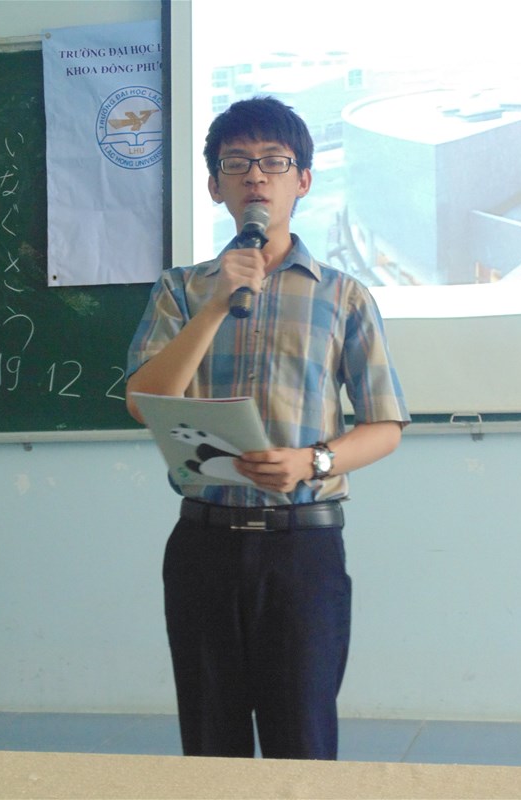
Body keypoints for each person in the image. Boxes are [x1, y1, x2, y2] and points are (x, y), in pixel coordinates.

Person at [125, 96, 410, 761]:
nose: (255, 176)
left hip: (301, 548)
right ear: (214, 186)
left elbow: (385, 424)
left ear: (302, 180)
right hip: (203, 545)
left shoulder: (343, 295)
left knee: (302, 745)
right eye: (237, 163)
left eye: (274, 162)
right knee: (211, 747)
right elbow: (144, 400)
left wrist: (313, 461)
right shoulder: (180, 290)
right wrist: (216, 305)